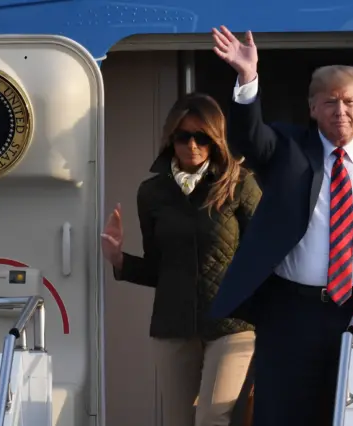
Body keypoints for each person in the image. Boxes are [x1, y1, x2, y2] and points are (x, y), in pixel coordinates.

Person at [209, 25, 353, 426]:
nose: (341, 110)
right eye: (330, 101)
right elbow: (249, 139)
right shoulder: (287, 148)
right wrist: (247, 80)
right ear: (313, 107)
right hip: (292, 313)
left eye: (350, 101)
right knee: (284, 414)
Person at [101, 92, 261, 426]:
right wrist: (119, 260)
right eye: (183, 136)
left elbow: (265, 254)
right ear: (171, 138)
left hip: (232, 323)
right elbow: (159, 266)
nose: (192, 145)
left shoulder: (239, 184)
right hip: (173, 324)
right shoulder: (152, 192)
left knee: (211, 417)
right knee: (178, 421)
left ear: (216, 139)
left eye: (201, 137)